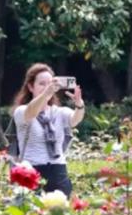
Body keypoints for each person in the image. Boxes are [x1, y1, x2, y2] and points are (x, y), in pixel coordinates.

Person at [11, 63, 85, 197]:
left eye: (50, 84)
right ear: (30, 87)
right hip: (31, 172)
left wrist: (79, 104)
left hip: (58, 173)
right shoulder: (21, 111)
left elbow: (75, 120)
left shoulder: (59, 112)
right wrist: (46, 93)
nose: (47, 87)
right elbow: (31, 112)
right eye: (41, 84)